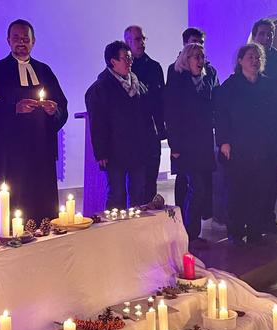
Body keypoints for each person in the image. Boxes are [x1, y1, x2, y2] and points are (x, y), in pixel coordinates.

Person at [0, 19, 68, 221]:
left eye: (26, 38)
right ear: (8, 40)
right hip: (10, 151)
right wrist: (14, 108)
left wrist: (53, 111)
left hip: (41, 148)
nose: (21, 42)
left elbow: (62, 105)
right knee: (16, 202)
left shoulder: (44, 70)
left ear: (33, 42)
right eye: (16, 37)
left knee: (43, 202)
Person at [215, 43, 277, 245]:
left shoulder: (270, 86)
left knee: (259, 190)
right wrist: (224, 141)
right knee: (237, 191)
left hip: (263, 147)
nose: (255, 61)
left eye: (258, 57)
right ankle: (236, 231)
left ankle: (255, 231)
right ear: (240, 61)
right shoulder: (229, 86)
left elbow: (276, 117)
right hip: (237, 147)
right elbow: (221, 116)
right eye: (250, 57)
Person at [85, 41, 158, 209]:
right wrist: (101, 152)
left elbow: (148, 117)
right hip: (114, 151)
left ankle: (136, 225)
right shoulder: (100, 88)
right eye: (125, 58)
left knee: (138, 192)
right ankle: (115, 225)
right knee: (116, 193)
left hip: (138, 150)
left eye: (130, 58)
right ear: (113, 61)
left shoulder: (138, 85)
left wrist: (151, 143)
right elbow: (97, 123)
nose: (130, 62)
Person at [164, 43, 219, 244]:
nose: (200, 60)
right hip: (185, 146)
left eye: (202, 56)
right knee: (196, 188)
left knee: (200, 190)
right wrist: (175, 146)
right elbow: (171, 116)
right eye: (196, 56)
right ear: (186, 60)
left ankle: (191, 232)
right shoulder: (178, 82)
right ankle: (189, 234)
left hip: (203, 144)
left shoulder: (207, 80)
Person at [251, 18, 277, 234]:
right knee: (250, 178)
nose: (266, 38)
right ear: (255, 35)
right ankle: (250, 221)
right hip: (250, 132)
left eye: (270, 34)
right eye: (262, 34)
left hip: (273, 129)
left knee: (269, 178)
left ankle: (268, 219)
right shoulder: (247, 57)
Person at [124, 25, 165, 203]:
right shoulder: (124, 69)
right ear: (127, 42)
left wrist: (162, 128)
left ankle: (150, 216)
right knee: (135, 184)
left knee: (150, 181)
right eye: (137, 39)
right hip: (132, 134)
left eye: (143, 39)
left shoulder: (154, 67)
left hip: (152, 132)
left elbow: (161, 99)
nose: (141, 43)